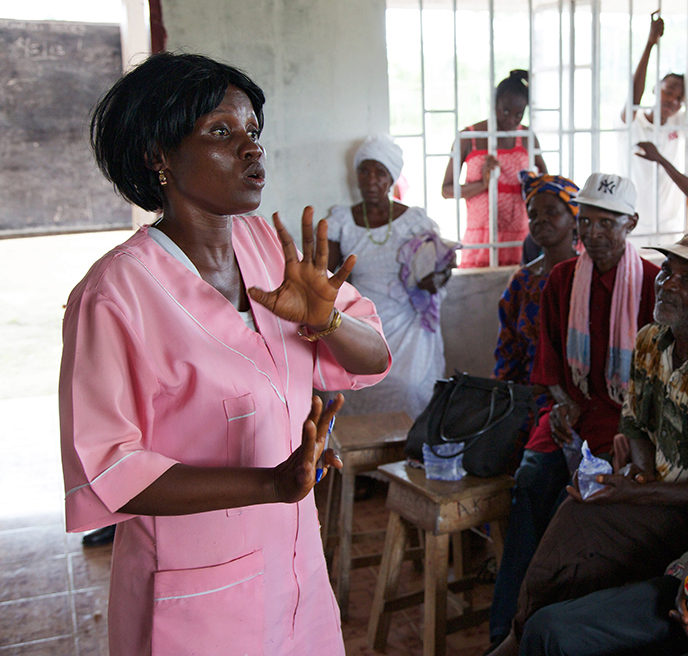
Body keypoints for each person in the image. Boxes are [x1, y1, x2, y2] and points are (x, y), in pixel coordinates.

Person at [59, 53, 391, 656]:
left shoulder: (273, 253)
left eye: (253, 133)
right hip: (190, 601)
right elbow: (110, 472)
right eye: (222, 132)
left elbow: (371, 356)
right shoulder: (116, 295)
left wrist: (329, 320)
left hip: (295, 575)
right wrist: (269, 484)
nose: (251, 149)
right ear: (158, 155)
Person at [486, 172, 660, 652]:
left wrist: (627, 428)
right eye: (587, 222)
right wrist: (562, 407)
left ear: (632, 223)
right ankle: (506, 630)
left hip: (626, 420)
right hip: (571, 410)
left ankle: (555, 621)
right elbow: (549, 365)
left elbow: (652, 386)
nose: (595, 234)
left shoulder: (651, 282)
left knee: (585, 507)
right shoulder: (562, 279)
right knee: (531, 480)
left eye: (608, 223)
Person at [327, 135, 457, 419]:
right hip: (362, 318)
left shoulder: (413, 221)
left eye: (380, 172)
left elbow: (445, 261)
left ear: (392, 178)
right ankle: (366, 449)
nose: (371, 180)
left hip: (407, 319)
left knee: (409, 386)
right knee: (349, 383)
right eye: (364, 170)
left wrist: (435, 280)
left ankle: (407, 448)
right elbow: (325, 274)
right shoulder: (342, 222)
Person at [441, 69, 548, 268]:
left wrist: (530, 183)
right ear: (494, 105)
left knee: (519, 291)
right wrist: (483, 184)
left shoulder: (527, 137)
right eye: (505, 111)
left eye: (518, 114)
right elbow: (446, 190)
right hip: (482, 239)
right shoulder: (468, 138)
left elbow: (546, 184)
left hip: (520, 236)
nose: (510, 120)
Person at [621, 12, 686, 235]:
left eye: (679, 98)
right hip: (635, 224)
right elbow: (633, 99)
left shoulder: (679, 121)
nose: (673, 101)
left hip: (671, 227)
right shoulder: (633, 120)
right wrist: (650, 44)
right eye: (668, 92)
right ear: (655, 89)